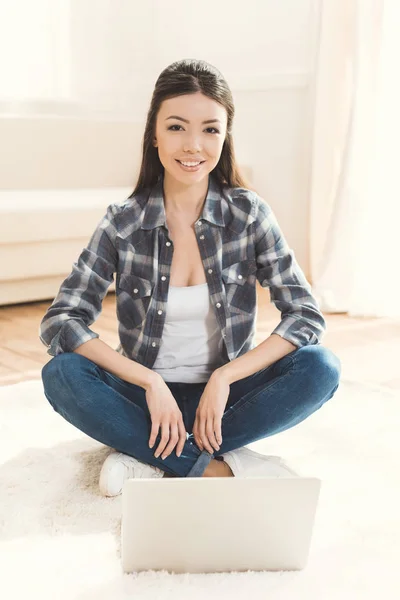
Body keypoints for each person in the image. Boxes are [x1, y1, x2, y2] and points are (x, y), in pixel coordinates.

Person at [40, 58, 341, 496]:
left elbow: (305, 317)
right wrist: (149, 381)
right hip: (144, 399)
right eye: (177, 127)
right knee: (62, 374)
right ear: (155, 134)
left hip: (225, 400)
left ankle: (148, 456)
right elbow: (62, 320)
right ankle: (213, 466)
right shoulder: (123, 223)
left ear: (225, 136)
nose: (193, 145)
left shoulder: (249, 215)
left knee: (321, 367)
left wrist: (224, 378)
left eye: (210, 129)